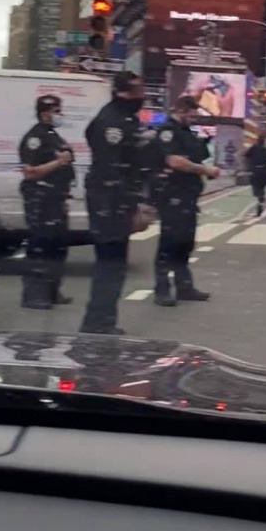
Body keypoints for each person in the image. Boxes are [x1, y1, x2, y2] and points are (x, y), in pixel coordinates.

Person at [79, 72, 154, 336]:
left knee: (114, 266)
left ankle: (102, 321)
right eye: (136, 91)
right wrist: (131, 206)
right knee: (110, 266)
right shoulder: (110, 123)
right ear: (121, 93)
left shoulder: (125, 119)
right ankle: (97, 324)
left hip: (115, 200)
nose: (141, 97)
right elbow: (112, 171)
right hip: (108, 201)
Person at [153, 95, 221, 306]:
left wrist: (207, 167)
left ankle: (184, 287)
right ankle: (162, 288)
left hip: (188, 197)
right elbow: (174, 161)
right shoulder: (167, 131)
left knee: (185, 244)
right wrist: (204, 169)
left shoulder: (187, 133)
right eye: (192, 115)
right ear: (181, 110)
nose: (194, 119)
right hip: (172, 195)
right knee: (169, 243)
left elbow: (198, 158)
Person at [18, 95, 75, 309]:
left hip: (56, 199)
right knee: (40, 246)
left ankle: (51, 290)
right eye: (56, 111)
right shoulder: (35, 138)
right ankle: (33, 295)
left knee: (58, 247)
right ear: (45, 113)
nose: (59, 114)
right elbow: (30, 172)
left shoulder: (54, 136)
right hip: (40, 199)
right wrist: (58, 162)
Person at [245, 131, 266, 217]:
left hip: (255, 171)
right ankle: (261, 199)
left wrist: (248, 167)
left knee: (256, 188)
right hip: (265, 171)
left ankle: (260, 198)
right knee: (262, 187)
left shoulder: (254, 148)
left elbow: (246, 156)